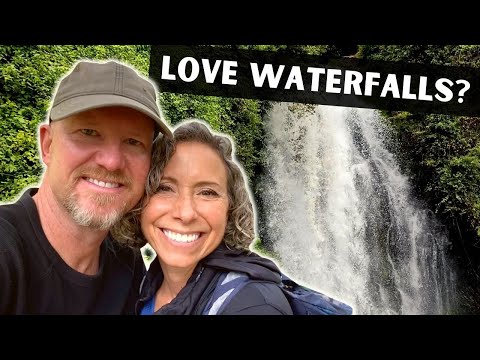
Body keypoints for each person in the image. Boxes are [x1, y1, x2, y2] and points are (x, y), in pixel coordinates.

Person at [0, 59, 172, 314]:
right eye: (89, 132)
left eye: (133, 142)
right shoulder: (6, 254)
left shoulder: (126, 261)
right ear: (48, 145)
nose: (112, 162)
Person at [112, 120, 293, 315]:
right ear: (140, 202)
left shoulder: (255, 305)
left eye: (207, 192)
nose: (185, 213)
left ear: (230, 210)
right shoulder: (145, 284)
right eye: (164, 188)